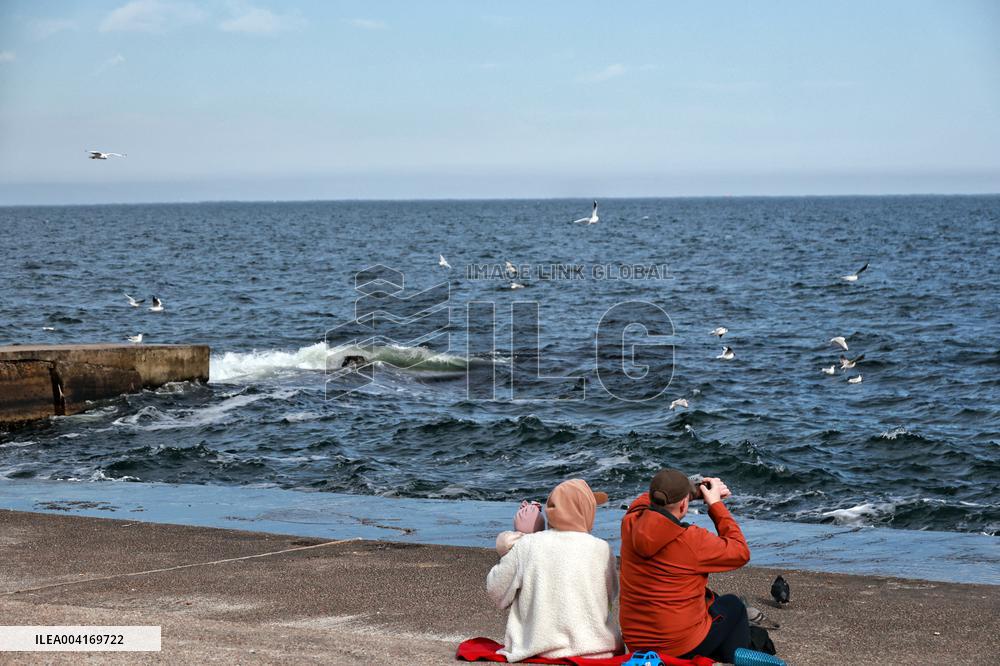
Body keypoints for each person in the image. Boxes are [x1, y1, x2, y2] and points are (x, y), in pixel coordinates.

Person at [618, 469, 751, 663]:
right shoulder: (691, 540)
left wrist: (687, 491)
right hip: (678, 646)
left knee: (711, 600)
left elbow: (644, 499)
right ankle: (731, 660)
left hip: (637, 642)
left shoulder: (630, 522)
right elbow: (740, 551)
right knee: (733, 606)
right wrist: (715, 504)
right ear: (683, 505)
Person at [486, 479, 623, 662]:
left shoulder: (527, 544)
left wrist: (509, 551)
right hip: (595, 647)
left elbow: (496, 590)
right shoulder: (601, 548)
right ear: (585, 511)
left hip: (536, 647)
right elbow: (611, 593)